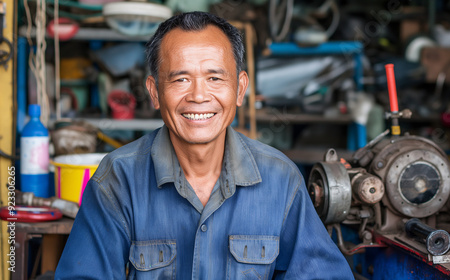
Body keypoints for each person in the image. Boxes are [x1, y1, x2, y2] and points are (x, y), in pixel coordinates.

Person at [55, 11, 353, 279]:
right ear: (154, 92)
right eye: (181, 79)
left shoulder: (280, 179)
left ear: (240, 89)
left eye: (214, 78)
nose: (199, 95)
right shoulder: (118, 179)